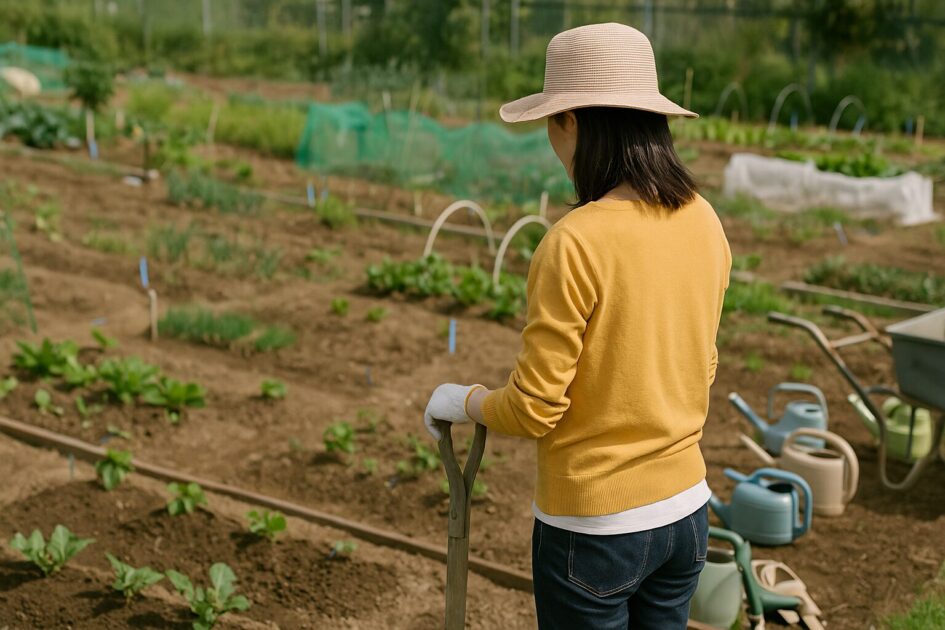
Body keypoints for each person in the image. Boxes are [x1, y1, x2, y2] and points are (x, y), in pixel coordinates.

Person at [423, 22, 731, 630]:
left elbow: (535, 408)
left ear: (571, 121)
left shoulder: (574, 243)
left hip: (596, 529)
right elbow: (705, 363)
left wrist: (464, 401)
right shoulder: (703, 218)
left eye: (551, 120)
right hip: (686, 512)